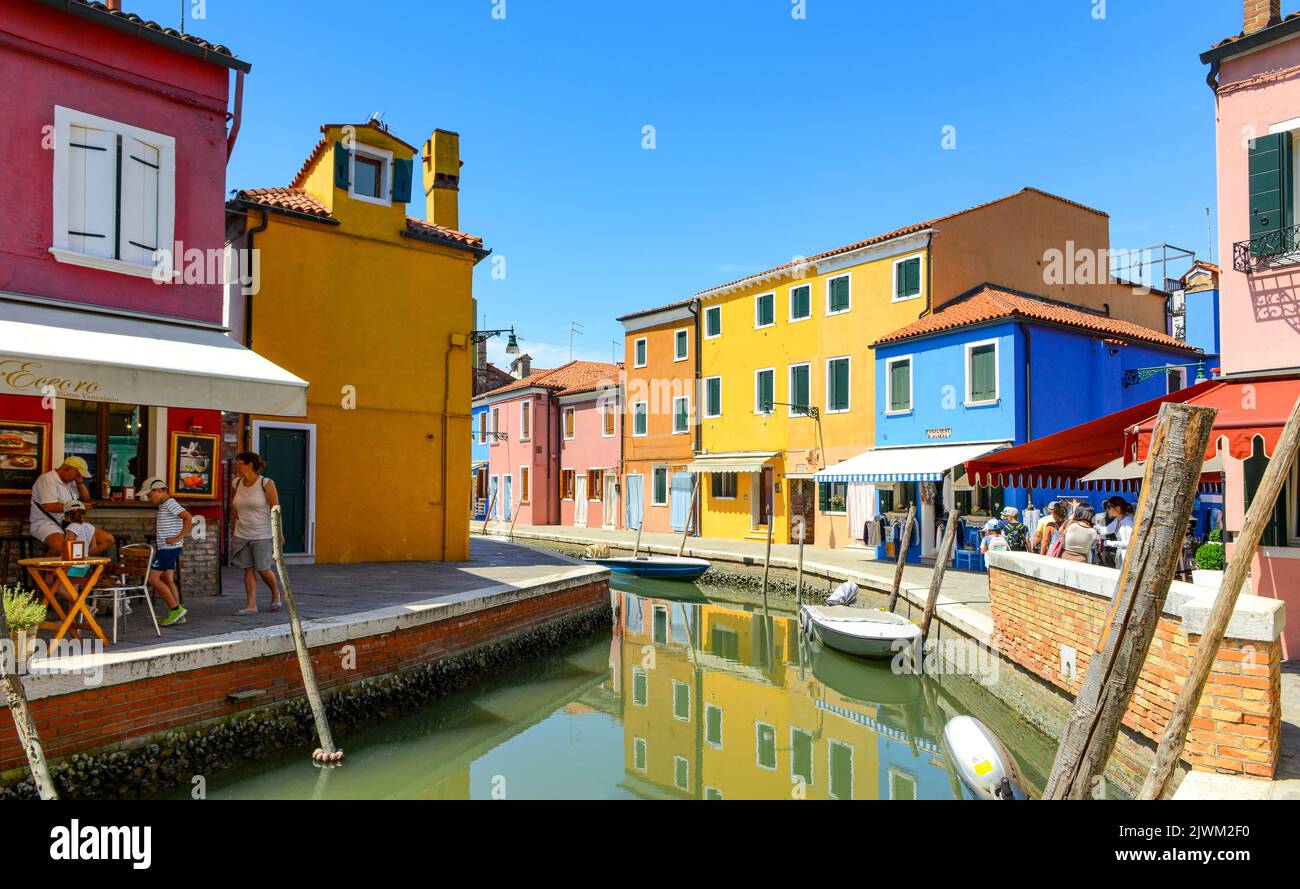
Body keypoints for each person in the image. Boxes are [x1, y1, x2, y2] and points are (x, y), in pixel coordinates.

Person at [229, 452, 282, 615]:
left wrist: (279, 533)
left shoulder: (266, 483)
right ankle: (251, 605)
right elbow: (233, 504)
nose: (236, 465)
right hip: (241, 533)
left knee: (263, 568)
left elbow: (275, 509)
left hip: (262, 533)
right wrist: (236, 522)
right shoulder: (236, 483)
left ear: (250, 464)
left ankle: (276, 593)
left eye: (239, 463)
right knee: (247, 568)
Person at [137, 477, 191, 627]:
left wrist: (178, 537)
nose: (148, 498)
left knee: (152, 578)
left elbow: (188, 518)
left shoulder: (170, 504)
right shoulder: (164, 505)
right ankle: (178, 614)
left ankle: (175, 609)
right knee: (167, 578)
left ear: (159, 490)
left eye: (149, 495)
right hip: (167, 548)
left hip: (168, 549)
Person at [30, 457, 93, 556]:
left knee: (105, 540)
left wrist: (79, 481)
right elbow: (48, 506)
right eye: (77, 474)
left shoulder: (71, 481)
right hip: (46, 523)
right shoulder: (47, 479)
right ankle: (51, 571)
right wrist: (76, 507)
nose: (76, 477)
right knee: (61, 547)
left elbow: (86, 498)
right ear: (67, 469)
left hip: (68, 522)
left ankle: (75, 567)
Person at [1102, 496, 1135, 565]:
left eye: (1109, 507)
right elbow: (1105, 530)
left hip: (1127, 556)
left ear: (1118, 509)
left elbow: (1129, 543)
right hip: (1120, 554)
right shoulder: (1117, 520)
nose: (1107, 510)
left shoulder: (1128, 522)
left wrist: (1110, 543)